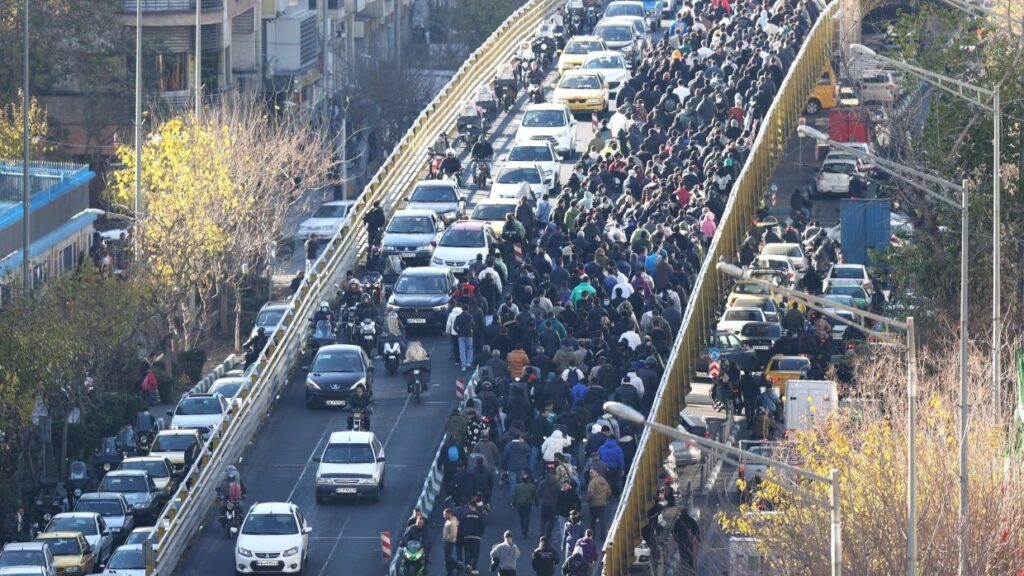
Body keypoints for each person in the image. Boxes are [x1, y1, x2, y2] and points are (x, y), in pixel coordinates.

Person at [584, 468, 610, 539]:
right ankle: (603, 536)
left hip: (594, 504)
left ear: (596, 472)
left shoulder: (593, 482)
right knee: (602, 520)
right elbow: (609, 492)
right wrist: (604, 498)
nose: (590, 474)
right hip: (603, 503)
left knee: (592, 521)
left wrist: (588, 500)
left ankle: (592, 536)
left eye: (591, 473)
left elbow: (591, 493)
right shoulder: (604, 480)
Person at [512, 471, 537, 538]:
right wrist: (537, 504)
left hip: (519, 504)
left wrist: (513, 504)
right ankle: (525, 532)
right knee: (526, 518)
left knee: (522, 518)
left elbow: (515, 496)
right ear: (528, 479)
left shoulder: (517, 486)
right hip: (528, 504)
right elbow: (535, 496)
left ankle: (523, 529)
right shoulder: (532, 487)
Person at [442, 508, 460, 576]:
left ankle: (459, 567)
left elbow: (453, 533)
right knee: (447, 559)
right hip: (447, 542)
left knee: (448, 558)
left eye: (445, 514)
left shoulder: (452, 522)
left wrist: (446, 539)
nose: (444, 516)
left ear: (449, 514)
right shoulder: (449, 520)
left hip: (449, 542)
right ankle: (450, 573)